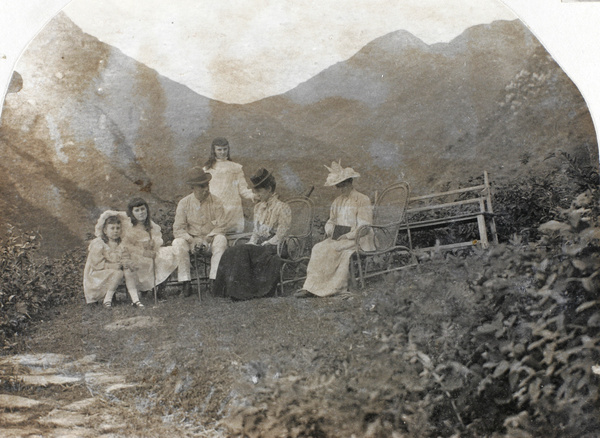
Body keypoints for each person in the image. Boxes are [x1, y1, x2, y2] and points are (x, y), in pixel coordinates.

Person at [296, 161, 375, 298]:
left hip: (359, 238)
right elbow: (331, 221)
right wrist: (331, 231)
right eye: (338, 186)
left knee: (333, 249)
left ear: (350, 182)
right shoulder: (338, 201)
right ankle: (311, 287)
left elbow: (365, 226)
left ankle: (334, 287)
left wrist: (348, 236)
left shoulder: (362, 199)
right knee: (318, 248)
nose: (341, 189)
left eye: (343, 185)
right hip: (340, 237)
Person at [213, 168, 292, 300]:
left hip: (275, 247)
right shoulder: (258, 207)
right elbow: (256, 232)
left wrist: (264, 244)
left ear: (269, 189)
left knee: (243, 250)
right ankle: (223, 290)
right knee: (233, 250)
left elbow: (281, 235)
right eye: (255, 191)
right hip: (260, 248)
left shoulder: (282, 207)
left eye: (259, 191)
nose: (256, 194)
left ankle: (240, 293)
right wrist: (252, 243)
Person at [172, 167, 228, 296]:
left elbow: (222, 225)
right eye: (201, 187)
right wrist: (191, 240)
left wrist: (208, 239)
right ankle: (186, 283)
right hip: (192, 242)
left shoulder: (216, 202)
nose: (206, 189)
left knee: (221, 239)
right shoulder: (184, 203)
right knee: (178, 243)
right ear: (193, 188)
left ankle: (214, 282)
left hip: (210, 241)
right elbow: (178, 228)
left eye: (207, 185)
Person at [122, 197, 184, 298]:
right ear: (132, 213)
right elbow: (126, 246)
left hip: (151, 253)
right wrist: (142, 251)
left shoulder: (150, 225)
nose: (141, 212)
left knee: (168, 254)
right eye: (137, 210)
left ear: (146, 209)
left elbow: (158, 239)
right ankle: (145, 288)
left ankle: (160, 289)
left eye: (142, 209)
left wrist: (153, 244)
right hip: (137, 256)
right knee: (145, 263)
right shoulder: (129, 228)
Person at [83, 210, 144, 308]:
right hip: (97, 273)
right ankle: (107, 300)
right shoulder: (99, 244)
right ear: (105, 231)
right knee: (118, 272)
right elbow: (96, 264)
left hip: (113, 271)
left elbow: (125, 257)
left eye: (118, 228)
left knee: (127, 269)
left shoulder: (121, 244)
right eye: (112, 228)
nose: (116, 231)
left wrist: (127, 262)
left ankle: (135, 300)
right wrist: (113, 266)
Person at [203, 137, 255, 233]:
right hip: (215, 208)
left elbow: (243, 189)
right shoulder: (207, 169)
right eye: (219, 149)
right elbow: (204, 191)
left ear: (228, 149)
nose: (222, 152)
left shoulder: (236, 168)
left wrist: (253, 196)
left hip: (232, 208)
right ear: (213, 150)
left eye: (225, 149)